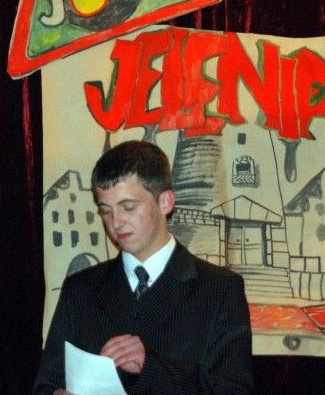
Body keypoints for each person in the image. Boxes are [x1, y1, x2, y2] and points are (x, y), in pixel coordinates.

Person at [33, 140, 253, 394]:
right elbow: (46, 385)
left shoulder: (220, 289)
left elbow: (232, 390)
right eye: (105, 210)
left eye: (128, 207)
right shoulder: (80, 289)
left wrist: (151, 367)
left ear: (165, 202)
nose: (115, 222)